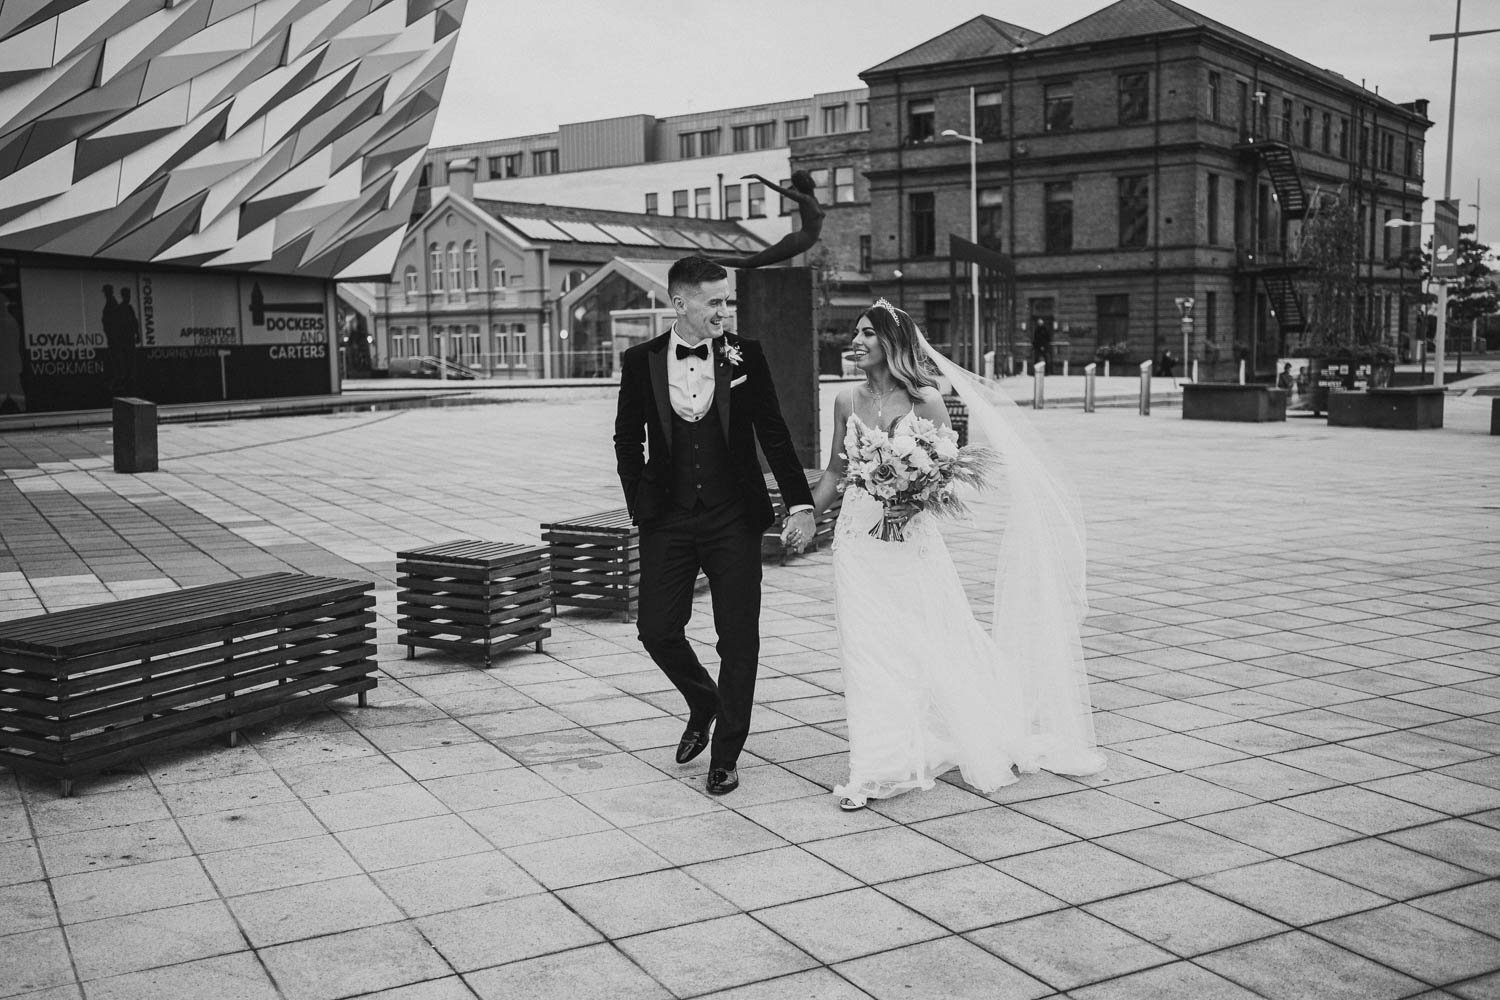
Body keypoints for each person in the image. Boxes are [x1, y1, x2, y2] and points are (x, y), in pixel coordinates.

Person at [801, 298, 1107, 810]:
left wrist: (911, 503)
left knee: (928, 639)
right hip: (856, 538)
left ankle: (977, 724)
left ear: (893, 344)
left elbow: (946, 477)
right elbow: (834, 473)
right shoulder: (843, 401)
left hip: (910, 541)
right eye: (855, 334)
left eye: (867, 335)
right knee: (866, 647)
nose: (855, 342)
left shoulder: (927, 402)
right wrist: (804, 514)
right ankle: (880, 768)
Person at [614, 255, 816, 796]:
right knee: (655, 628)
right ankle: (704, 700)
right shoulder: (642, 361)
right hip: (669, 518)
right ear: (680, 303)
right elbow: (626, 440)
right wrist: (640, 502)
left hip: (733, 517)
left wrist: (800, 503)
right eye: (714, 302)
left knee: (739, 638)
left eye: (727, 301)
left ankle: (726, 752)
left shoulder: (745, 355)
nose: (724, 311)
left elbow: (774, 433)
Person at [708, 171, 824, 269]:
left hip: (802, 243)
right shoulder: (805, 199)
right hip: (797, 242)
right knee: (749, 263)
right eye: (806, 180)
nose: (810, 181)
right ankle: (709, 263)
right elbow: (782, 191)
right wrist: (760, 178)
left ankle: (709, 263)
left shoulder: (813, 199)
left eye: (808, 179)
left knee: (750, 263)